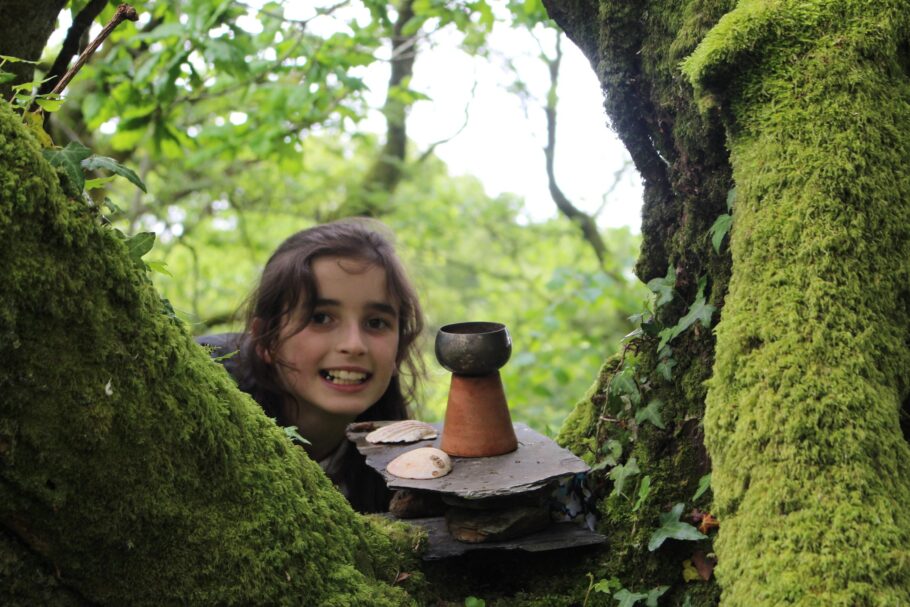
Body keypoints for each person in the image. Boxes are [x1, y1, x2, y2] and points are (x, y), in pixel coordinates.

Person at [198, 219, 425, 513]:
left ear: (398, 349)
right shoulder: (206, 390)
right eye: (320, 318)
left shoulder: (399, 468)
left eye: (376, 323)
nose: (354, 344)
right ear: (266, 340)